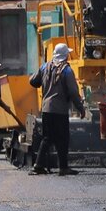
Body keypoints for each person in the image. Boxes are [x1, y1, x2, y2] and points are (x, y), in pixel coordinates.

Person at [28, 43, 86, 176]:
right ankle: (63, 167)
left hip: (46, 109)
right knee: (63, 138)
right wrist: (80, 108)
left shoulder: (45, 66)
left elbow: (33, 81)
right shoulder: (67, 70)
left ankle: (38, 166)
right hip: (60, 110)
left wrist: (43, 83)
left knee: (47, 138)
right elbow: (73, 92)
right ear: (66, 55)